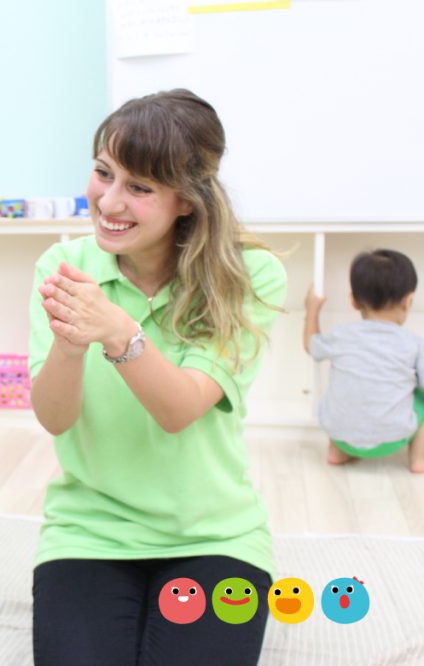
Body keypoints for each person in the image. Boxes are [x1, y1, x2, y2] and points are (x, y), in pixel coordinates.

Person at [28, 89, 287, 665]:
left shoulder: (249, 275)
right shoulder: (63, 267)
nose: (109, 201)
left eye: (139, 188)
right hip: (90, 531)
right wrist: (69, 347)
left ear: (187, 201)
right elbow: (55, 418)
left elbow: (179, 410)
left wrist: (117, 331)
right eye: (104, 173)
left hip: (214, 536)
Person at [304, 249, 424, 472]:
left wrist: (312, 309)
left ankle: (338, 452)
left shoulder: (341, 336)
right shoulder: (414, 343)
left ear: (353, 301)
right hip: (393, 439)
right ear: (408, 301)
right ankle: (419, 459)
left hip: (340, 435)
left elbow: (311, 346)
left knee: (343, 391)